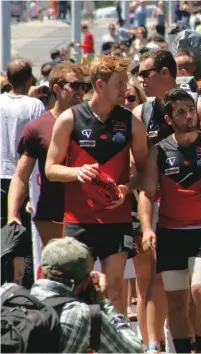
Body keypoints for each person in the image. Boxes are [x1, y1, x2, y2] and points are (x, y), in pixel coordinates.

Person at [45, 55, 149, 314]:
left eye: (126, 82)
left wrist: (127, 187)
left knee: (114, 291)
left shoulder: (130, 121)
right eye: (120, 82)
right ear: (100, 84)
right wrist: (76, 172)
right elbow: (50, 169)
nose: (126, 88)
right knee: (78, 290)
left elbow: (145, 170)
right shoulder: (70, 119)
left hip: (117, 220)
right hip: (79, 221)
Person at [139, 88, 201, 353]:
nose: (188, 115)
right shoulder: (159, 151)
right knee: (176, 302)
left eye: (191, 109)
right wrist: (147, 228)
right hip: (170, 234)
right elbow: (147, 194)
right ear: (170, 119)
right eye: (181, 112)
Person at [7, 63, 86, 253]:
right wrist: (13, 214)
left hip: (89, 214)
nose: (81, 91)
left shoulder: (95, 122)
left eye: (84, 86)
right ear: (56, 88)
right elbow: (20, 175)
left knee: (87, 277)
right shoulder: (38, 127)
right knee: (56, 272)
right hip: (52, 215)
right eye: (74, 85)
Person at [30, 237, 143, 352]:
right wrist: (104, 303)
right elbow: (134, 350)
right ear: (85, 282)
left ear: (40, 272)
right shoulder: (84, 316)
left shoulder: (14, 299)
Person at [1, 58, 46, 287]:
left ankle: (4, 282)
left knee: (4, 231)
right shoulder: (35, 106)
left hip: (2, 176)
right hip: (25, 178)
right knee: (24, 236)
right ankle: (24, 287)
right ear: (30, 79)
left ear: (8, 79)